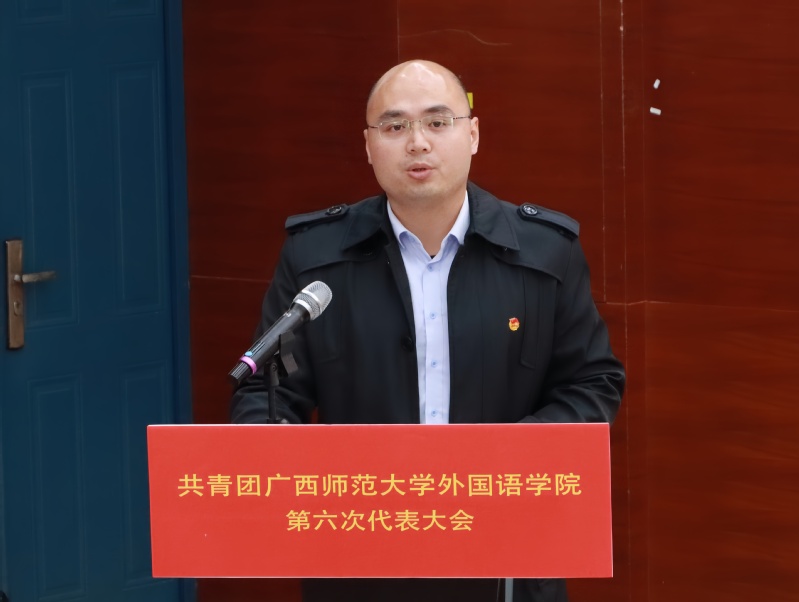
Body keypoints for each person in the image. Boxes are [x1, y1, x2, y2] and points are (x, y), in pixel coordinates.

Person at [230, 60, 625, 602]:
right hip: (362, 552)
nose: (417, 142)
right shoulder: (315, 258)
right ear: (369, 146)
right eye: (394, 126)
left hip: (503, 551)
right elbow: (267, 388)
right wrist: (276, 453)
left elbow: (593, 383)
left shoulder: (544, 253)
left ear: (473, 135)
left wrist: (502, 460)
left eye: (438, 122)